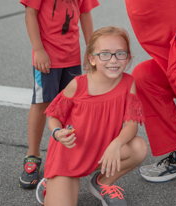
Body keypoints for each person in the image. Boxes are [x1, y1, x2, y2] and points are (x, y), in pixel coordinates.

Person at [19, 0, 99, 189]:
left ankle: (65, 153)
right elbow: (30, 13)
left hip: (72, 58)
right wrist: (38, 50)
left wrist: (93, 51)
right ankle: (32, 155)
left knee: (72, 107)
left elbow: (86, 15)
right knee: (43, 105)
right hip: (47, 59)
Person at [36, 26, 148, 206]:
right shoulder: (78, 85)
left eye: (120, 53)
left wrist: (116, 144)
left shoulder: (128, 83)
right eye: (105, 54)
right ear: (92, 59)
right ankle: (51, 184)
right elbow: (54, 115)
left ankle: (101, 183)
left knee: (139, 148)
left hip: (100, 151)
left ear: (128, 58)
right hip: (68, 157)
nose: (113, 60)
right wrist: (57, 132)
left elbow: (131, 125)